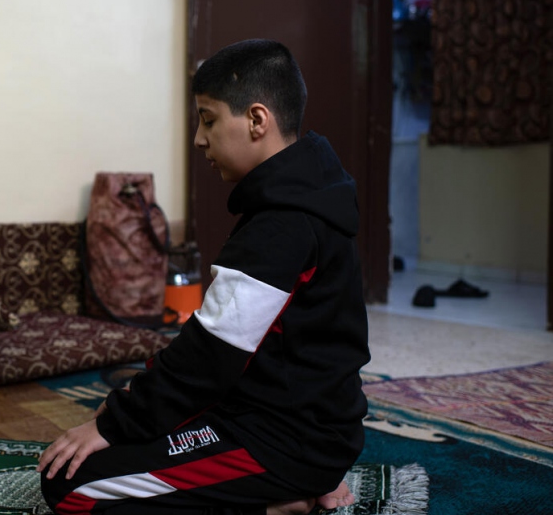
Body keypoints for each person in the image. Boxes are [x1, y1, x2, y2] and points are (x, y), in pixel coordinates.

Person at [36, 38, 371, 515]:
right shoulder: (306, 198)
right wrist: (129, 408)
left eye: (208, 119)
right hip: (294, 418)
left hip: (287, 438)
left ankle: (279, 505)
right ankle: (293, 484)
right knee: (131, 407)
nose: (199, 138)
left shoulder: (282, 225)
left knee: (71, 488)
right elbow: (220, 348)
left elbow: (209, 358)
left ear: (257, 120)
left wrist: (112, 428)